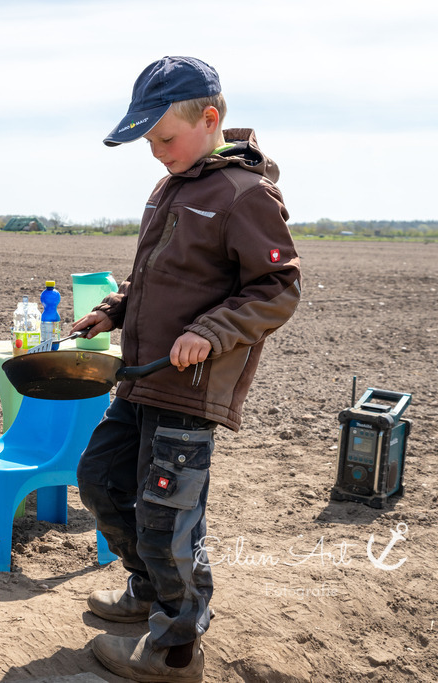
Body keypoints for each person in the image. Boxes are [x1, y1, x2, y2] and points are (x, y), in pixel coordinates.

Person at [69, 57, 301, 682]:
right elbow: (158, 277)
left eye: (163, 138)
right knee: (99, 479)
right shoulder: (174, 184)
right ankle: (148, 592)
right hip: (143, 376)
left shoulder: (244, 194)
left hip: (192, 387)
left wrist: (209, 332)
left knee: (166, 518)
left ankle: (176, 647)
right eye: (147, 142)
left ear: (210, 118)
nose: (154, 152)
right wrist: (113, 311)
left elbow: (278, 287)